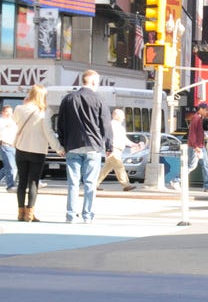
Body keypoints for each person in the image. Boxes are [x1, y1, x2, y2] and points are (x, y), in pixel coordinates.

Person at [57, 69, 113, 223]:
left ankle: (70, 215)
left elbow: (60, 123)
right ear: (94, 81)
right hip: (93, 146)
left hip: (72, 145)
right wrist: (109, 146)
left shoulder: (68, 99)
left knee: (73, 183)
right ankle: (87, 216)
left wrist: (62, 144)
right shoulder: (99, 100)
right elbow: (106, 125)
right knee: (90, 183)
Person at [12, 85, 65, 222]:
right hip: (37, 151)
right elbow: (48, 132)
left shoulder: (19, 108)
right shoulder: (44, 111)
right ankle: (30, 213)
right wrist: (58, 148)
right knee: (33, 182)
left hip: (21, 148)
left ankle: (20, 212)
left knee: (22, 182)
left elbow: (16, 123)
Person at [96, 108, 137, 191]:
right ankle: (126, 185)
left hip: (116, 149)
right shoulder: (112, 125)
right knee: (119, 166)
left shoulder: (118, 126)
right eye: (122, 115)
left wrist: (133, 144)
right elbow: (109, 138)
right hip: (114, 149)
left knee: (106, 169)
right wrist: (109, 149)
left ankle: (94, 184)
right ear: (116, 116)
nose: (124, 117)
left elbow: (124, 139)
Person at [187, 102, 208, 192]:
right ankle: (176, 180)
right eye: (205, 110)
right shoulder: (196, 118)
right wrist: (196, 146)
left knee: (205, 165)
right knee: (191, 165)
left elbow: (197, 133)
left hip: (200, 146)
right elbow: (192, 134)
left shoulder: (199, 118)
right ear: (200, 109)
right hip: (196, 146)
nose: (206, 111)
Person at [0, 104, 18, 191]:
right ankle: (10, 186)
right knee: (11, 166)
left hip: (14, 146)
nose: (9, 114)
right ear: (2, 112)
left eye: (10, 112)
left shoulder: (14, 121)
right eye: (7, 112)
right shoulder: (1, 121)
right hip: (5, 145)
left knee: (8, 167)